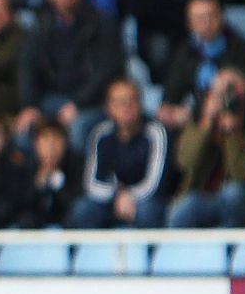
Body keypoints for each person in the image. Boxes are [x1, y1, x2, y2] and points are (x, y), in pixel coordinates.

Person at [16, 0, 123, 150]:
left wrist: (78, 104)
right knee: (25, 130)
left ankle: (76, 178)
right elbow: (27, 65)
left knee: (78, 128)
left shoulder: (102, 23)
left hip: (92, 102)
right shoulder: (41, 25)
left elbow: (107, 71)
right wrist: (29, 106)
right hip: (51, 99)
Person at [167, 66, 245, 229]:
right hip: (201, 197)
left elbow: (241, 174)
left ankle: (229, 254)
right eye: (220, 93)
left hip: (239, 201)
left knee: (233, 193)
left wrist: (232, 134)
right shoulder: (199, 123)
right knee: (183, 208)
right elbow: (185, 162)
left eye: (233, 93)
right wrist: (206, 125)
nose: (227, 99)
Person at [67, 79, 171, 229]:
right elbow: (92, 183)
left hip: (145, 200)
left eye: (132, 100)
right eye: (119, 102)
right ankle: (93, 252)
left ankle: (150, 252)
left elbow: (155, 184)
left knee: (149, 211)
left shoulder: (156, 132)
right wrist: (117, 195)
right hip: (112, 199)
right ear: (109, 108)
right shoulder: (101, 134)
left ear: (141, 103)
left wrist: (129, 196)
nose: (126, 106)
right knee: (83, 209)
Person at [159, 0, 245, 129]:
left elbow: (235, 96)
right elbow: (172, 90)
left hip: (234, 122)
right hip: (196, 120)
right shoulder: (186, 51)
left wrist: (193, 114)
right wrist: (171, 110)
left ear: (222, 17)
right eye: (200, 18)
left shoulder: (241, 48)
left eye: (212, 15)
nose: (207, 22)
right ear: (190, 24)